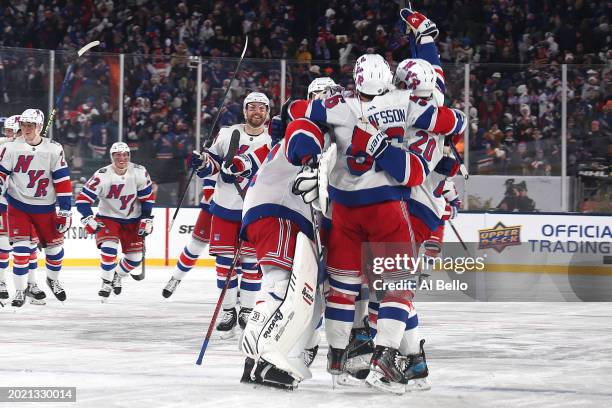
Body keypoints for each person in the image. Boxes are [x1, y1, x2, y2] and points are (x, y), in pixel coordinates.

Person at [288, 48, 466, 393]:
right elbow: (451, 122)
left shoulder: (341, 104)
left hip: (352, 206)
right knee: (393, 288)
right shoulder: (410, 102)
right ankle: (393, 360)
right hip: (395, 206)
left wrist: (304, 130)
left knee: (345, 288)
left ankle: (342, 358)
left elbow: (296, 111)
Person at [221, 77, 336, 389]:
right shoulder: (309, 126)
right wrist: (313, 161)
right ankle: (264, 356)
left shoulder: (294, 130)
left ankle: (256, 362)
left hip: (271, 212)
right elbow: (302, 142)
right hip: (280, 213)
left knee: (283, 285)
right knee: (281, 285)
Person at [191, 92, 271, 335]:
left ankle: (247, 309)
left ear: (267, 113)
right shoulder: (227, 133)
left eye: (261, 108)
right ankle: (228, 309)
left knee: (251, 263)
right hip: (225, 206)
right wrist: (202, 163)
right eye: (252, 107)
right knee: (225, 264)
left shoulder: (272, 139)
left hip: (256, 209)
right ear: (245, 110)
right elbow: (212, 165)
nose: (257, 112)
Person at [0, 109, 73, 307]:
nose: (25, 129)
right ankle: (19, 291)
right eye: (23, 125)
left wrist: (66, 209)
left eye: (30, 125)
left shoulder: (54, 149)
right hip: (17, 205)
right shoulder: (11, 148)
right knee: (19, 250)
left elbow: (62, 180)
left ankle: (50, 280)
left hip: (45, 206)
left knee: (54, 249)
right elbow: (2, 173)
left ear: (40, 126)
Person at [75, 142, 155, 301]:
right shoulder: (102, 175)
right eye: (118, 155)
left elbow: (147, 198)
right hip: (108, 218)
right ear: (112, 157)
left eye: (125, 155)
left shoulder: (139, 172)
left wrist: (146, 217)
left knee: (135, 259)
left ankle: (117, 275)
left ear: (129, 156)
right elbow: (82, 200)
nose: (122, 158)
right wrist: (87, 217)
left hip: (133, 219)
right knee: (108, 249)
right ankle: (106, 282)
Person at [0, 115, 46, 304]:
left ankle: (31, 285)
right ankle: (1, 282)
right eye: (12, 131)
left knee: (30, 248)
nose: (15, 134)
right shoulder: (5, 147)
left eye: (17, 131)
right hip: (5, 203)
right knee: (3, 247)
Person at [162, 175, 215, 298]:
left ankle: (237, 291)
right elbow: (208, 172)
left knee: (236, 253)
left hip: (238, 209)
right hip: (212, 207)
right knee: (195, 246)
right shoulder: (220, 155)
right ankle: (176, 278)